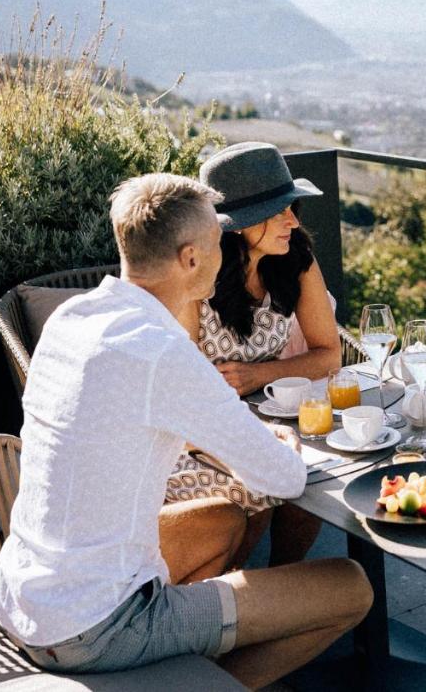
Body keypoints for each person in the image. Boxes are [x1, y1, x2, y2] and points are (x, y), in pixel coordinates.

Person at [0, 173, 371, 688]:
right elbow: (285, 480)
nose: (224, 254)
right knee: (351, 587)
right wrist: (281, 442)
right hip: (101, 624)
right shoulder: (163, 354)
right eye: (218, 243)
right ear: (191, 258)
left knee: (220, 519)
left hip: (24, 594)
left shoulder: (73, 318)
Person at [167, 142, 340, 568]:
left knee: (310, 482)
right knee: (263, 489)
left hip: (271, 418)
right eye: (280, 211)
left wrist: (258, 375)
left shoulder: (295, 258)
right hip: (196, 436)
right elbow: (181, 382)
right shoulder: (196, 278)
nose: (293, 220)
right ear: (240, 224)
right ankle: (231, 595)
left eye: (291, 206)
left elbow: (329, 354)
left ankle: (282, 580)